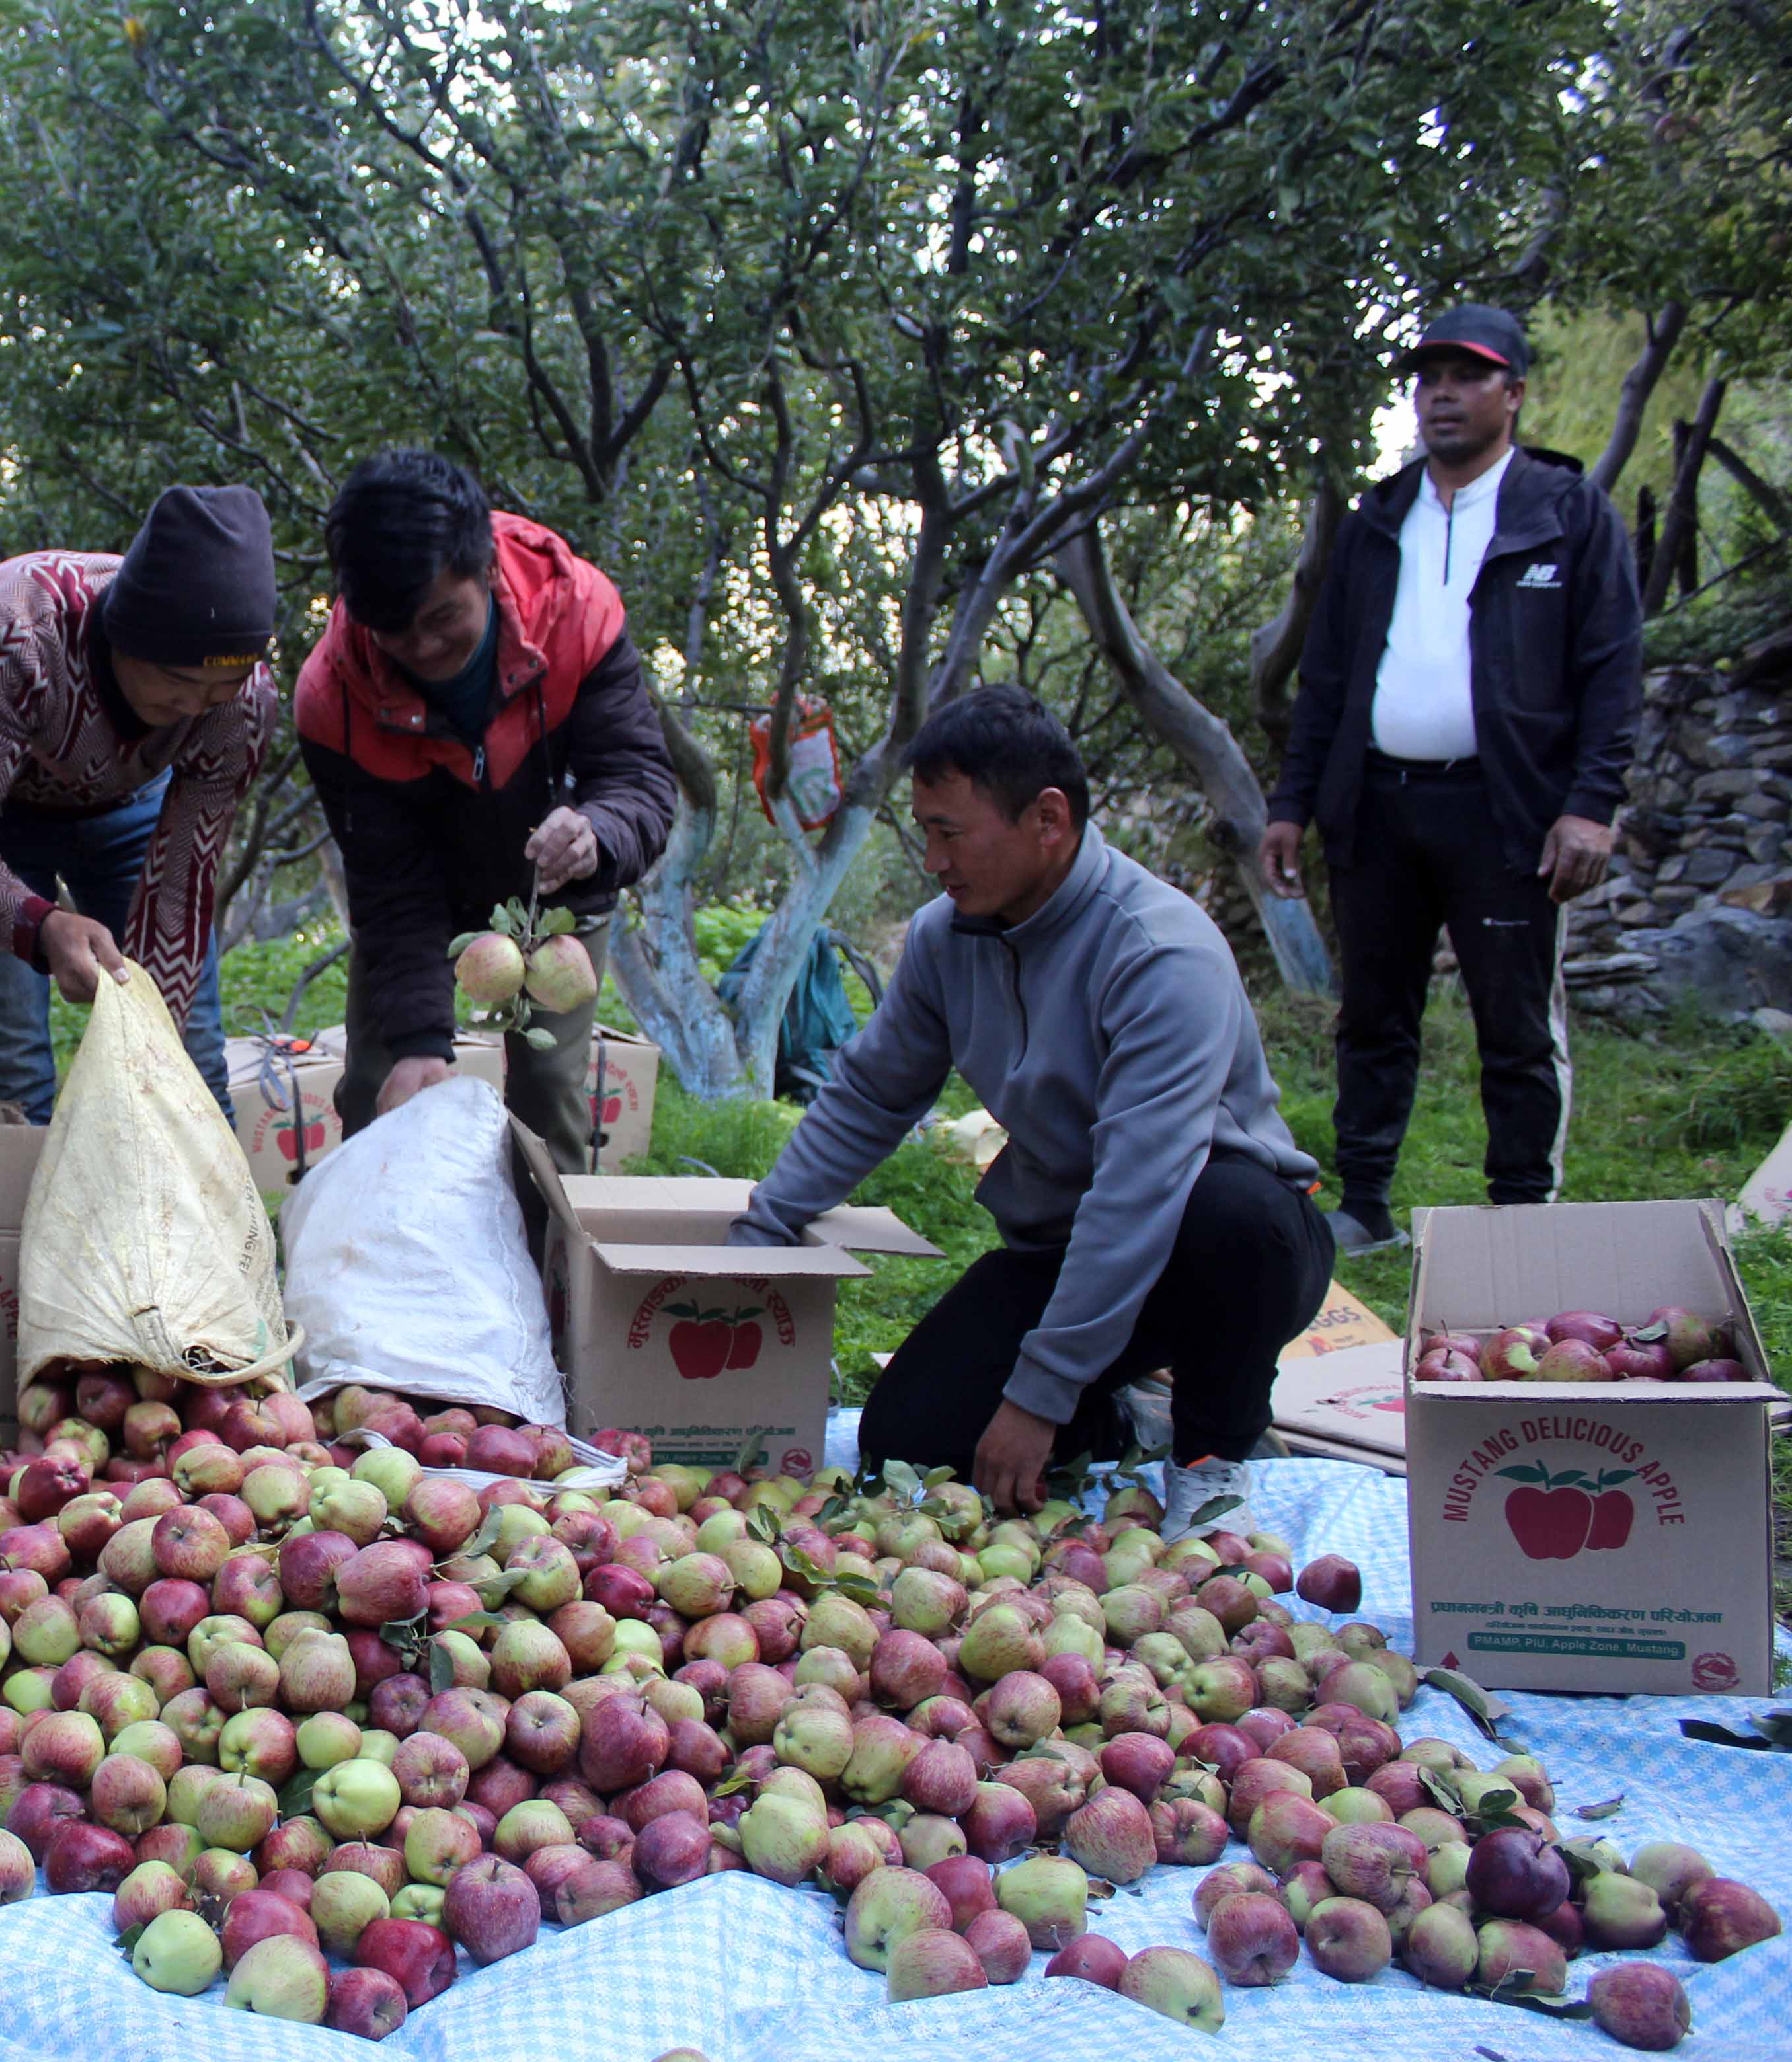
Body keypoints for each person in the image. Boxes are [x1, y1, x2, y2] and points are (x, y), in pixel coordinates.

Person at [728, 689, 1330, 1538]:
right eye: (925, 831)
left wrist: (1038, 1396)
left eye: (950, 832)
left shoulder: (1161, 954)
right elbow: (872, 1094)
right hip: (1072, 1248)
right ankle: (1128, 1424)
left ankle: (1212, 1454)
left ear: (1048, 818)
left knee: (1237, 1219)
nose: (933, 860)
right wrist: (762, 1232)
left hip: (1217, 1243)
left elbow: (1140, 1190)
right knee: (908, 1436)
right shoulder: (948, 939)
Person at [1263, 303, 1643, 1253]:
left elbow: (1613, 669)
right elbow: (1330, 677)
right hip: (1379, 807)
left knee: (1514, 1023)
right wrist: (1291, 805)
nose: (1441, 394)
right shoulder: (1378, 519)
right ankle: (1367, 1205)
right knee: (1373, 1017)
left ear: (1513, 393)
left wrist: (1590, 806)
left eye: (1467, 376)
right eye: (1428, 377)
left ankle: (1521, 1217)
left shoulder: (1567, 513)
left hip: (1505, 809)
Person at [297, 451, 675, 1172]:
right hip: (425, 900)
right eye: (396, 633)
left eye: (443, 618)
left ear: (491, 573)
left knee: (550, 1095)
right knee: (382, 1087)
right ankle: (373, 1272)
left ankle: (548, 1277)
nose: (424, 648)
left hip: (555, 893)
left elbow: (639, 779)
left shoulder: (577, 615)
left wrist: (600, 832)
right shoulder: (333, 700)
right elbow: (389, 881)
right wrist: (419, 1043)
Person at [0, 486, 276, 1120]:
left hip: (130, 812)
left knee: (188, 1062)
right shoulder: (18, 634)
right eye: (179, 683)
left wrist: (158, 1046)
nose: (194, 709)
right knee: (13, 1074)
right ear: (122, 637)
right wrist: (43, 926)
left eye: (219, 689)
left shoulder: (241, 703)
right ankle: (15, 1219)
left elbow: (181, 884)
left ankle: (201, 1220)